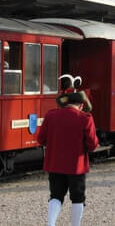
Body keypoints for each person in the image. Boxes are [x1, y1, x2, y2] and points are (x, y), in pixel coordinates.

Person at [38, 92, 99, 226]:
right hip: (76, 167)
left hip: (55, 164)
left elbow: (41, 139)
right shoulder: (85, 118)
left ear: (65, 104)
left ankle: (51, 224)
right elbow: (92, 145)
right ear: (81, 105)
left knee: (55, 196)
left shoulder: (51, 116)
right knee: (77, 198)